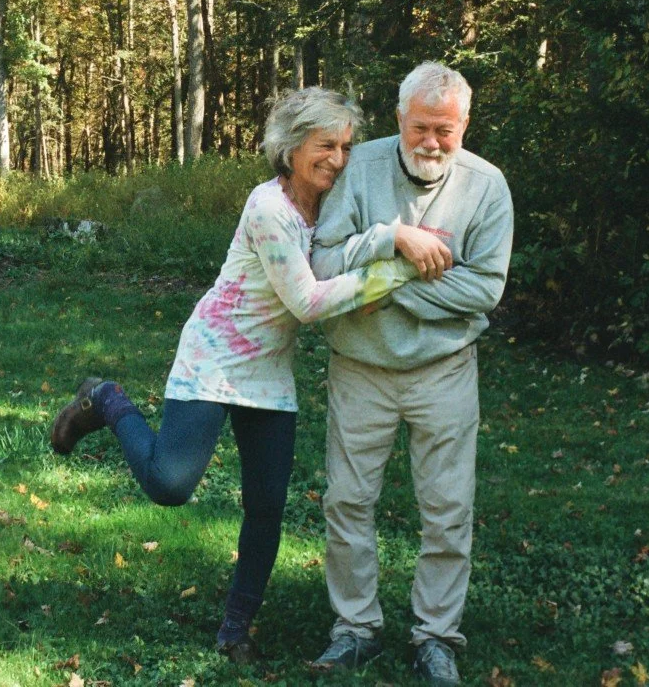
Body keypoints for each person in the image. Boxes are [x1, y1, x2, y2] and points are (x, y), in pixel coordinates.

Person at [49, 87, 419, 662]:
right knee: (170, 484)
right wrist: (398, 261)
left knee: (267, 505)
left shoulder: (332, 202)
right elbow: (308, 302)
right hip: (215, 356)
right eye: (326, 145)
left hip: (270, 370)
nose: (339, 159)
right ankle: (106, 397)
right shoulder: (267, 208)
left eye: (346, 146)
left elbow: (342, 259)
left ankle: (235, 628)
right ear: (292, 147)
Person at [307, 62, 514, 685]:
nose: (431, 142)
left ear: (464, 125)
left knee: (448, 508)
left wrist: (380, 288)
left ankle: (436, 637)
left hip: (444, 368)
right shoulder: (359, 168)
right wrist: (393, 242)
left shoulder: (487, 187)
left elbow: (483, 290)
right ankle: (355, 629)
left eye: (445, 130)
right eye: (420, 127)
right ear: (400, 120)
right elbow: (321, 260)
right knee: (348, 500)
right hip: (360, 366)